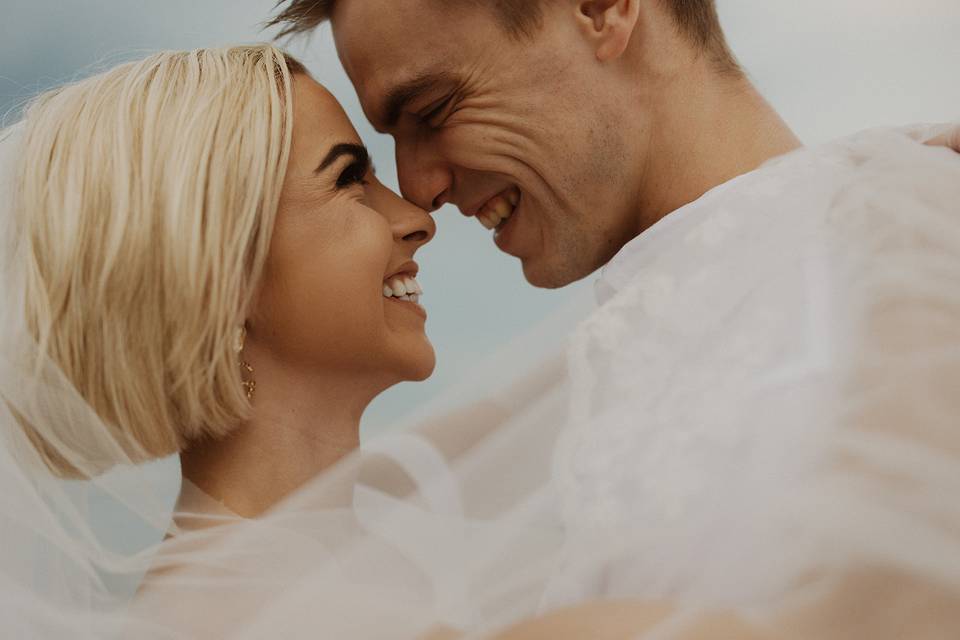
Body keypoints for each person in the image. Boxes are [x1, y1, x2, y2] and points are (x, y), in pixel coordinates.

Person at [261, 1, 960, 637]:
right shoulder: (621, 358)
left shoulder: (905, 235)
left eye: (436, 108)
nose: (418, 189)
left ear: (602, 11)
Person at [0, 44, 440, 637]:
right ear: (220, 273)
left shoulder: (369, 555)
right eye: (349, 180)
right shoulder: (228, 617)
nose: (418, 219)